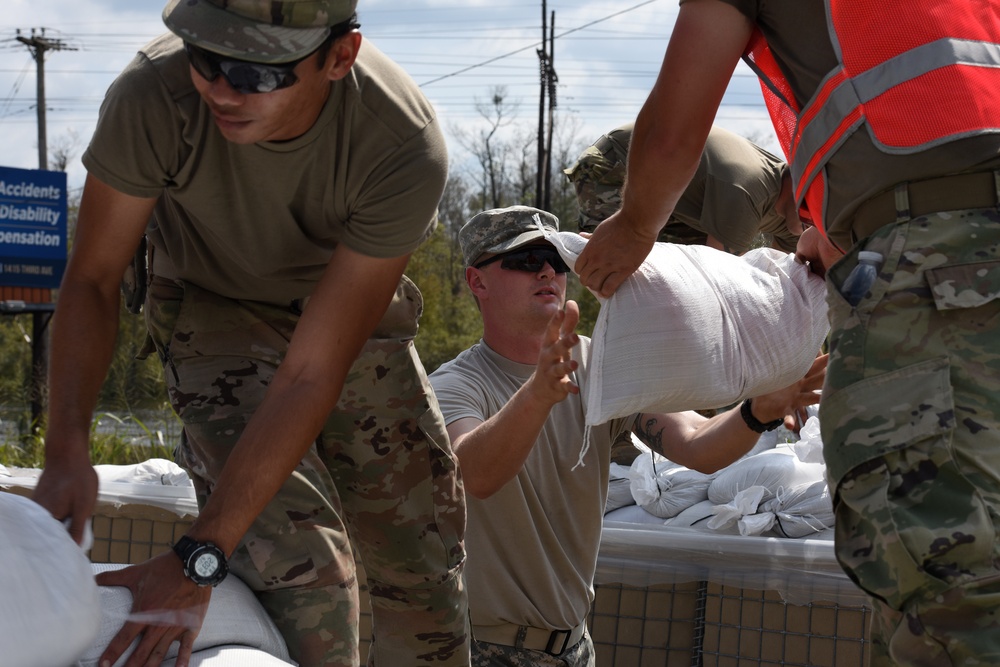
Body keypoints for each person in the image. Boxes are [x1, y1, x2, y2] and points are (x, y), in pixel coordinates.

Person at [30, 1, 469, 666]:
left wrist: (196, 554)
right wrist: (66, 446)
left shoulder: (400, 142)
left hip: (343, 315)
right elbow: (91, 277)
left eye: (255, 72)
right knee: (305, 573)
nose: (220, 89)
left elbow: (313, 370)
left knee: (423, 563)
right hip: (213, 305)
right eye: (203, 59)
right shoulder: (154, 95)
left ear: (340, 56)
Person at [573, 1, 1000, 664]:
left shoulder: (742, 187)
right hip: (942, 251)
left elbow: (675, 145)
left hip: (936, 268)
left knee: (945, 588)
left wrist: (631, 231)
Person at [429, 205, 827, 666]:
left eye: (556, 260)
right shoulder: (455, 384)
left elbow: (696, 444)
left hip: (575, 647)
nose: (546, 271)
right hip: (487, 650)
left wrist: (759, 410)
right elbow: (471, 475)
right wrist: (538, 395)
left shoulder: (601, 365)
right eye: (523, 260)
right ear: (477, 282)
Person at [564, 123, 803, 254]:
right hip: (618, 165)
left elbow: (783, 288)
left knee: (679, 280)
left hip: (674, 198)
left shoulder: (801, 220)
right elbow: (721, 284)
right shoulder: (747, 191)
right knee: (612, 268)